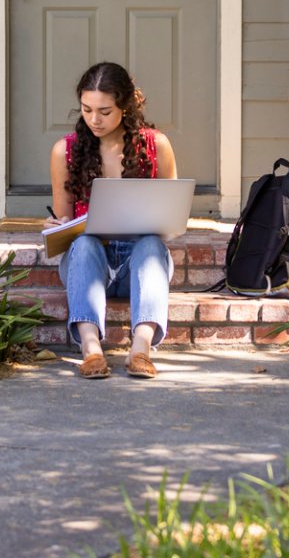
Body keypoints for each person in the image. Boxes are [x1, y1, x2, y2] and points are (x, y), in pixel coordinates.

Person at [46, 62, 178, 379]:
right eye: (87, 109)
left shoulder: (155, 145)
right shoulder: (66, 150)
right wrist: (58, 226)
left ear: (125, 106)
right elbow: (63, 216)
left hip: (140, 259)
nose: (94, 119)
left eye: (104, 111)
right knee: (85, 242)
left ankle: (141, 349)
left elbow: (171, 218)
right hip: (91, 262)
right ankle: (91, 350)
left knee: (150, 243)